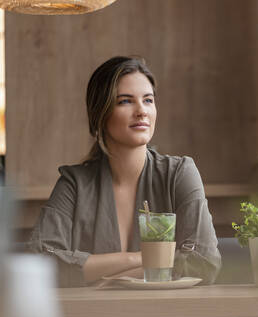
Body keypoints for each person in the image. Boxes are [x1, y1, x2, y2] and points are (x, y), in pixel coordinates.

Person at [30, 56, 221, 287]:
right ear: (100, 114)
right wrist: (141, 259)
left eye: (148, 100)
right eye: (125, 101)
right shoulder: (74, 182)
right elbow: (42, 261)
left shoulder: (179, 172)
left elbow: (204, 263)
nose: (142, 111)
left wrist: (105, 275)